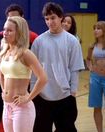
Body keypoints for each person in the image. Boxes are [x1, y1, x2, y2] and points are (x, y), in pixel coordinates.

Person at [30, 2, 85, 132]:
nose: (50, 22)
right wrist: (33, 93)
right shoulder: (39, 41)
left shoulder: (72, 41)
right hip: (42, 97)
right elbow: (33, 71)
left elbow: (74, 68)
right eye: (47, 19)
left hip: (65, 97)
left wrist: (72, 92)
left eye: (53, 18)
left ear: (60, 17)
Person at [0, 16, 47, 132]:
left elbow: (43, 78)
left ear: (19, 33)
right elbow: (1, 75)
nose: (5, 33)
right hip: (7, 105)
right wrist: (3, 91)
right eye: (5, 29)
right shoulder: (4, 52)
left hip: (21, 108)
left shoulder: (26, 54)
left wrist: (28, 97)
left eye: (10, 30)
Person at [86, 21, 105, 132]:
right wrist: (91, 68)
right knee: (97, 106)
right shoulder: (92, 46)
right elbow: (88, 59)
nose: (95, 31)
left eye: (98, 28)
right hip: (95, 78)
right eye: (94, 28)